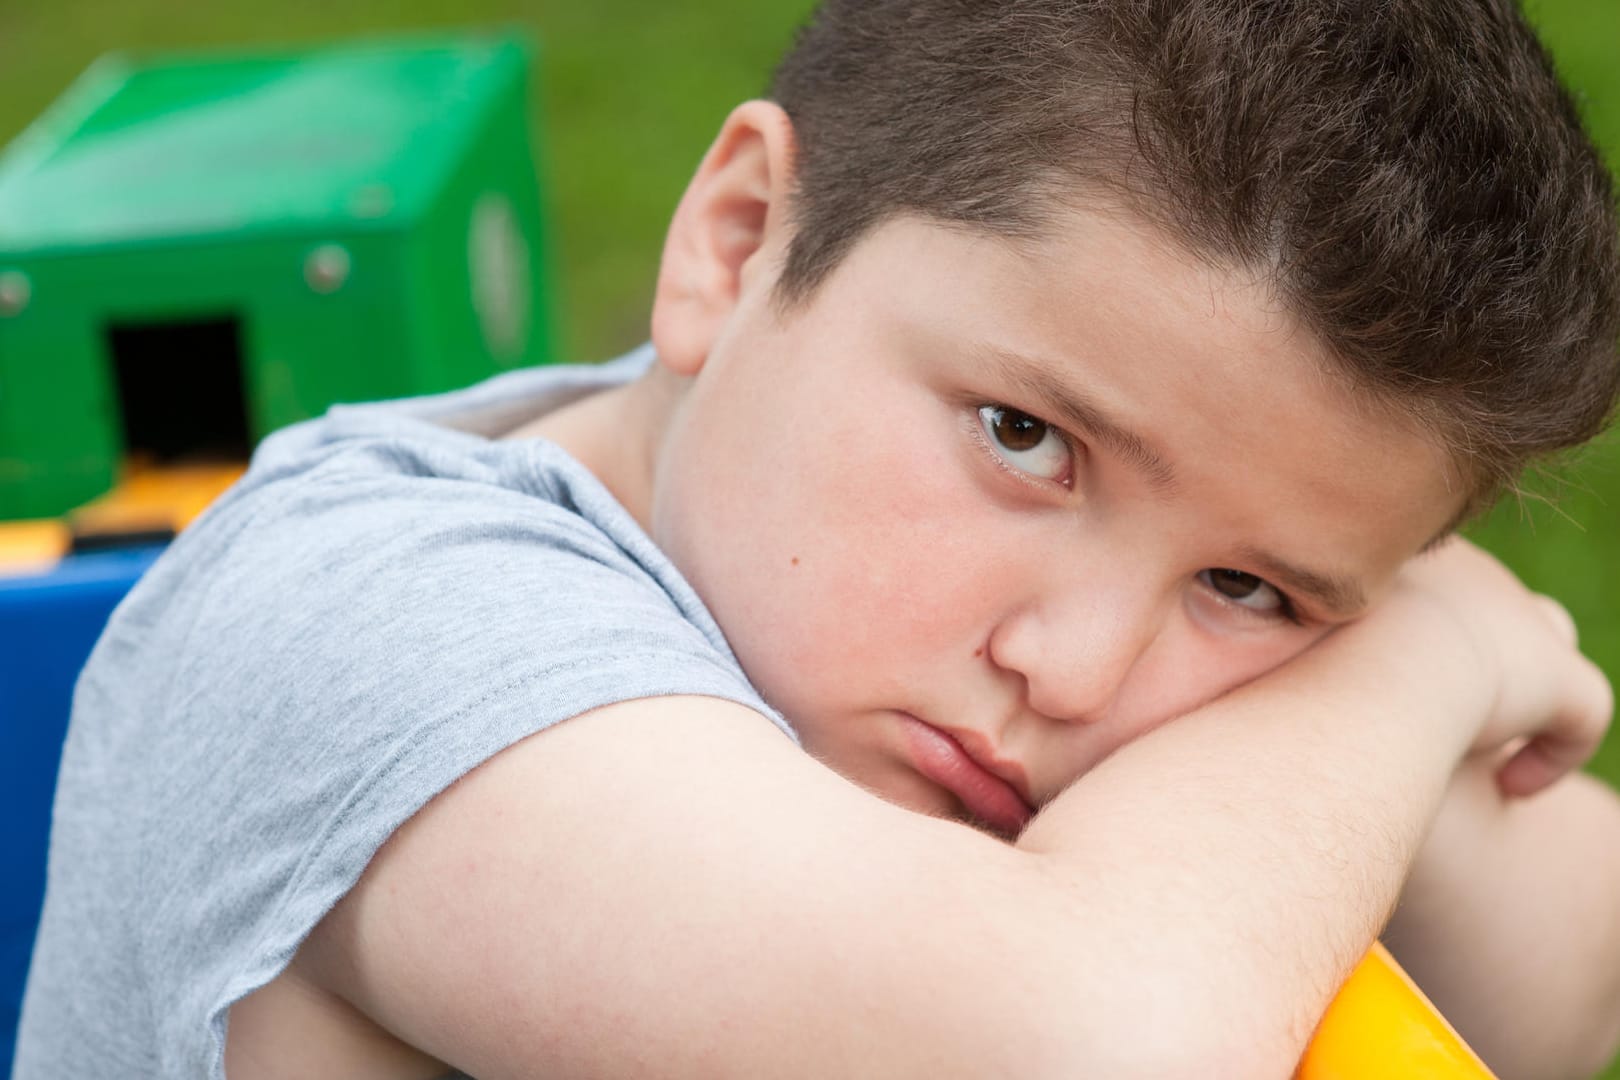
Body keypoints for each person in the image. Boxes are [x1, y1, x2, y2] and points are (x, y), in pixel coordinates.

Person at [17, 1, 1620, 1077]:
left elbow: (1569, 978)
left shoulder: (899, 641)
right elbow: (1096, 1048)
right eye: (1026, 441)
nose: (1069, 670)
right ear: (734, 246)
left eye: (1250, 587)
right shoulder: (367, 620)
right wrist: (1414, 665)